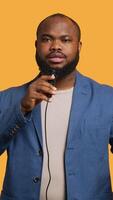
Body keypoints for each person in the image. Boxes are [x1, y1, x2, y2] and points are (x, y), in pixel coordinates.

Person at [0, 13, 113, 200]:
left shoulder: (107, 98)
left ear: (79, 46)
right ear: (36, 46)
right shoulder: (8, 98)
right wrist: (20, 109)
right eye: (47, 39)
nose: (56, 46)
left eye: (66, 40)